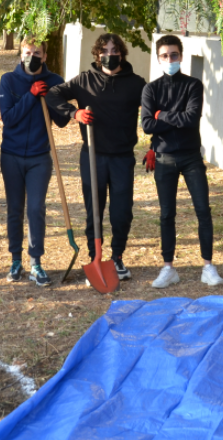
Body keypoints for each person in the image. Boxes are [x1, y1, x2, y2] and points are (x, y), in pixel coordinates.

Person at [47, 33, 147, 282]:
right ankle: (95, 256)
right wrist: (74, 113)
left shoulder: (136, 83)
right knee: (95, 210)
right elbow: (52, 95)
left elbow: (153, 108)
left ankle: (117, 258)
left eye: (114, 51)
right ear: (97, 54)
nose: (109, 55)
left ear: (122, 53)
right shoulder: (83, 80)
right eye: (104, 50)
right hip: (93, 155)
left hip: (122, 157)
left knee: (122, 211)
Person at [141, 34, 223, 288]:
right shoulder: (150, 89)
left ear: (181, 56)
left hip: (190, 157)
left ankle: (208, 266)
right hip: (164, 157)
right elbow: (146, 125)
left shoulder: (193, 85)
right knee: (167, 214)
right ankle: (168, 268)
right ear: (158, 58)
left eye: (174, 55)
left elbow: (191, 119)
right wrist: (168, 118)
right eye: (165, 56)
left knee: (203, 210)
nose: (170, 59)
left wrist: (161, 115)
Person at [0, 37, 65, 286]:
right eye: (28, 52)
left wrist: (53, 99)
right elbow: (8, 118)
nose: (32, 56)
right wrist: (31, 95)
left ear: (45, 56)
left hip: (39, 157)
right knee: (15, 209)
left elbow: (61, 121)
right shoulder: (9, 80)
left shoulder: (55, 81)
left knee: (36, 208)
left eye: (37, 52)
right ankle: (15, 260)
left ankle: (36, 262)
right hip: (11, 155)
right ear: (20, 54)